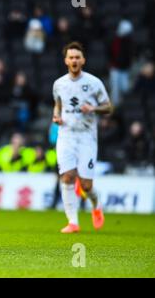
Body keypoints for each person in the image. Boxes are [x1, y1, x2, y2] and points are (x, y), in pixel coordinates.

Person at [52, 41, 113, 233]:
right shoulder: (59, 84)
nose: (74, 60)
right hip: (66, 136)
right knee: (67, 177)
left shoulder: (94, 83)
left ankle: (96, 205)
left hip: (87, 137)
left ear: (83, 60)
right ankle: (73, 222)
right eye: (71, 57)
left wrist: (93, 108)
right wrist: (57, 116)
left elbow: (109, 107)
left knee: (86, 185)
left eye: (77, 57)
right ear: (66, 61)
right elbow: (58, 104)